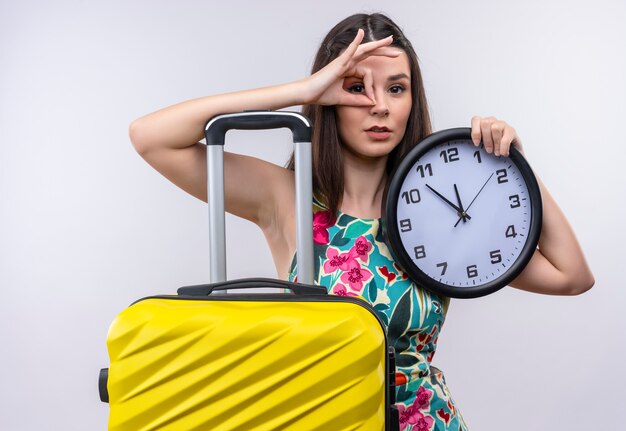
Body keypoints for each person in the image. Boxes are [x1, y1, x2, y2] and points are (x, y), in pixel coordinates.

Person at [129, 12, 594, 431]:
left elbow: (571, 276)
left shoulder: (443, 218)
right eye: (356, 87)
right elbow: (151, 138)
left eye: (396, 87)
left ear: (413, 99)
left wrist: (515, 164)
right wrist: (299, 93)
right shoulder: (285, 201)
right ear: (329, 94)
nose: (379, 106)